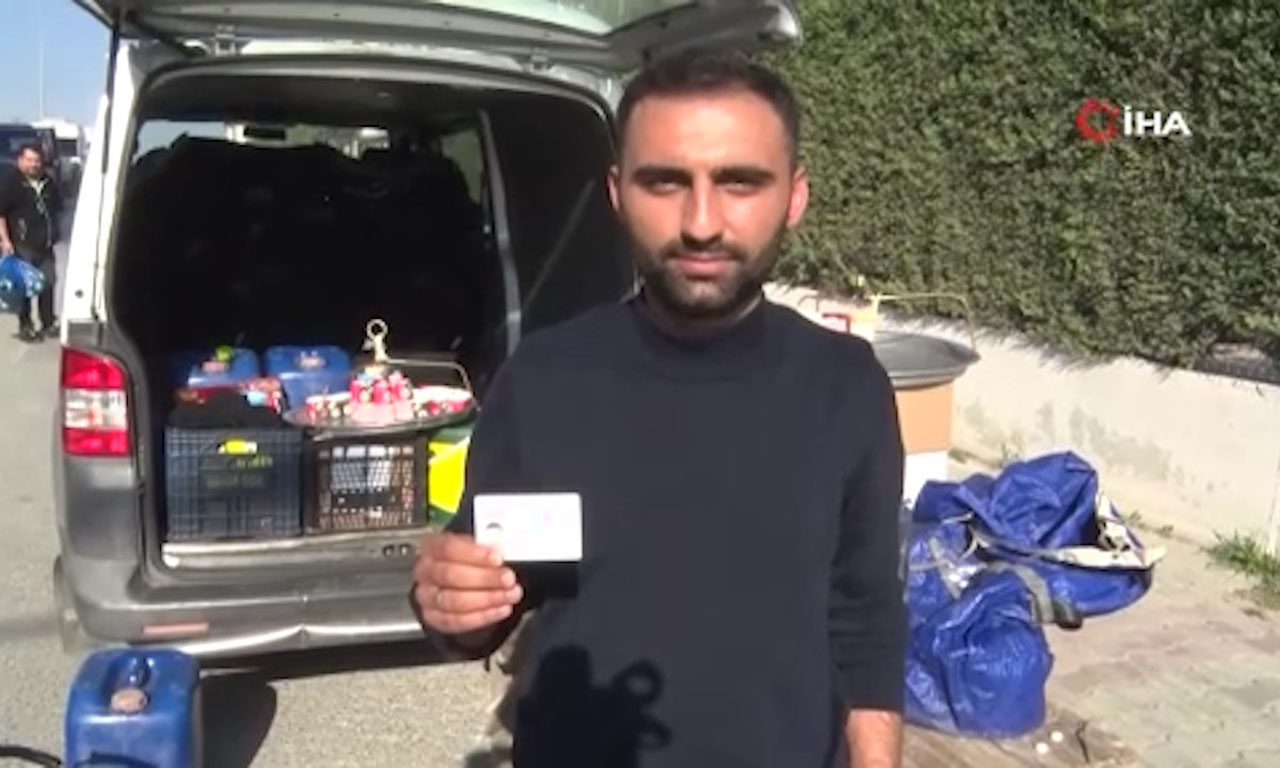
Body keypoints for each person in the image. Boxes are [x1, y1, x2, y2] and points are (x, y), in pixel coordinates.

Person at [412, 49, 907, 768]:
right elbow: (488, 596)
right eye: (665, 182)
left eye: (740, 182)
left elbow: (866, 619)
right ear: (618, 193)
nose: (701, 223)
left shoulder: (847, 385)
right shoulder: (544, 379)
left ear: (794, 197)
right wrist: (451, 603)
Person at [0, 142, 63, 341]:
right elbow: (1, 214)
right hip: (22, 244)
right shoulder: (11, 184)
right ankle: (26, 325)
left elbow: (58, 209)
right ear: (20, 160)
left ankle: (48, 321)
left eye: (37, 160)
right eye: (29, 160)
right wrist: (5, 241)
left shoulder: (48, 182)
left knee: (48, 283)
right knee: (24, 287)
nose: (34, 164)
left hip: (45, 244)